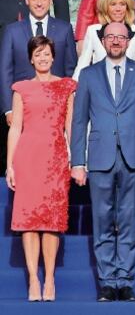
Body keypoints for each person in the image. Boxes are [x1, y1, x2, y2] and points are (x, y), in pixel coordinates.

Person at [70, 22, 135, 302]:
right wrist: (77, 161)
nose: (116, 41)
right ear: (102, 41)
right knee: (101, 220)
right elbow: (78, 121)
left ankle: (125, 280)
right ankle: (107, 282)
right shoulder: (88, 75)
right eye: (110, 36)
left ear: (129, 41)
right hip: (99, 158)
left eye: (121, 37)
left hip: (134, 156)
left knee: (129, 220)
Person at [6, 35, 76, 302]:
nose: (43, 58)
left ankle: (50, 279)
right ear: (31, 58)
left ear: (53, 56)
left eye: (46, 53)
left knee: (51, 222)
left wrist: (77, 159)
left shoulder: (67, 87)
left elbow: (71, 126)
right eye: (38, 54)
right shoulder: (21, 88)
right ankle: (33, 280)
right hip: (27, 158)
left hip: (56, 158)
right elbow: (15, 128)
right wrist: (10, 165)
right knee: (29, 223)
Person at [0, 0, 77, 175]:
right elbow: (5, 70)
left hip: (56, 110)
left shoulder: (64, 29)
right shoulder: (12, 30)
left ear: (51, 0)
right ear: (26, 0)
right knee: (27, 164)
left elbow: (70, 69)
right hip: (23, 108)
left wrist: (71, 106)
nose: (39, 3)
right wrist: (8, 108)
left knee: (53, 165)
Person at [73, 0, 135, 78]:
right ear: (105, 7)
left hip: (128, 89)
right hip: (99, 88)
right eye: (113, 4)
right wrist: (73, 89)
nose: (118, 9)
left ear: (127, 7)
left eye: (122, 4)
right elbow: (82, 64)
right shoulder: (92, 31)